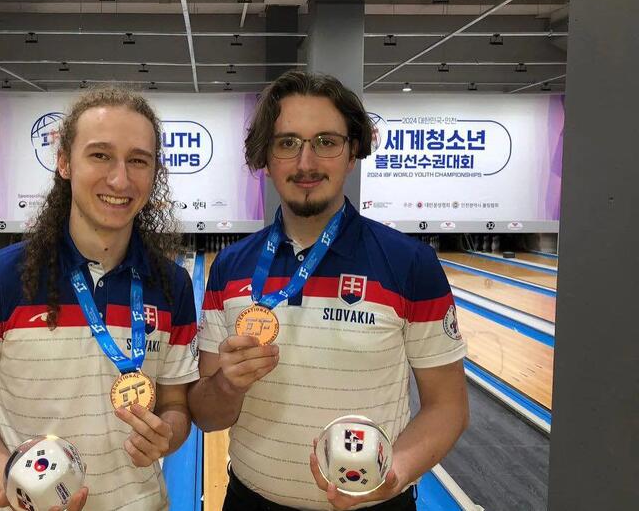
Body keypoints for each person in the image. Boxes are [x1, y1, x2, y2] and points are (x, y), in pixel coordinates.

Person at [188, 70, 469, 511]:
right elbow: (207, 415)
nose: (305, 163)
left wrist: (394, 473)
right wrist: (226, 385)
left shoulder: (410, 264)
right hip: (251, 502)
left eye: (326, 141)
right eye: (287, 143)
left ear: (353, 151)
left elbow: (447, 406)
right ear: (266, 156)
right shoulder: (229, 267)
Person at [0, 88, 199, 511]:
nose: (120, 179)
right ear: (64, 163)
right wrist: (9, 476)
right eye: (100, 155)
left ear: (154, 173)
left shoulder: (173, 285)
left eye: (138, 160)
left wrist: (167, 431)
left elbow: (175, 404)